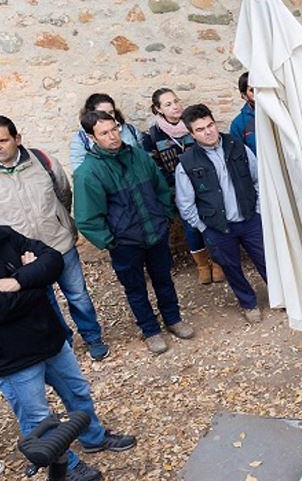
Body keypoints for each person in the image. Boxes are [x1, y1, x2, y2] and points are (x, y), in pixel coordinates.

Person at [0, 225, 135, 481]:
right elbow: (3, 310)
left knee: (78, 392)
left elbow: (53, 259)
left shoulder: (5, 235)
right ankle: (66, 465)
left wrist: (18, 280)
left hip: (50, 339)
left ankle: (94, 438)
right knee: (37, 420)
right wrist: (35, 277)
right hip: (13, 360)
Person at [73, 110, 195, 354]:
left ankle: (173, 319)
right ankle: (150, 330)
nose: (113, 136)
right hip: (125, 243)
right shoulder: (88, 173)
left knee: (164, 279)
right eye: (104, 133)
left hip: (155, 233)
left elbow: (160, 189)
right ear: (92, 137)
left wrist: (165, 217)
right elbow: (87, 219)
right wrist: (110, 241)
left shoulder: (138, 156)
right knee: (136, 288)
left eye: (114, 129)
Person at [0, 116, 109, 361]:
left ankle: (93, 338)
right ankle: (64, 343)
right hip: (27, 255)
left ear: (17, 139)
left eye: (3, 140)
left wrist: (62, 225)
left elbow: (64, 193)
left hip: (59, 244)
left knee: (78, 294)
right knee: (45, 300)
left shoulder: (43, 161)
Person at [175, 104, 268, 323]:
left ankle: (282, 297)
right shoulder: (186, 163)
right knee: (231, 267)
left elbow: (257, 179)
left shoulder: (238, 146)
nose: (208, 132)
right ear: (191, 134)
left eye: (210, 125)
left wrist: (257, 210)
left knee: (267, 260)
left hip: (249, 218)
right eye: (200, 129)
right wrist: (203, 227)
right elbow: (185, 203)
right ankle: (248, 303)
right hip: (217, 227)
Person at [140, 87, 223, 286]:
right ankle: (203, 265)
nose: (175, 106)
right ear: (158, 109)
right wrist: (173, 193)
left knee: (215, 222)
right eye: (168, 104)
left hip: (205, 185)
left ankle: (218, 261)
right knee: (191, 227)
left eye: (176, 101)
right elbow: (156, 168)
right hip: (178, 190)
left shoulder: (192, 126)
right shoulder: (152, 136)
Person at [69, 93, 140, 172]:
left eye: (111, 112)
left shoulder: (129, 129)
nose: (107, 116)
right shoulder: (81, 139)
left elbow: (142, 155)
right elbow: (79, 169)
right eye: (102, 113)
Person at [229, 72, 257, 153]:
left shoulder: (278, 113)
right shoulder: (238, 124)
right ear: (244, 95)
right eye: (252, 90)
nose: (258, 93)